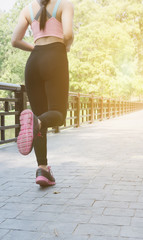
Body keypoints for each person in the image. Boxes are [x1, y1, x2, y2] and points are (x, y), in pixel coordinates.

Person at [11, 0, 74, 187]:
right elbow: (68, 33)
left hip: (33, 63)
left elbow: (15, 40)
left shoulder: (27, 9)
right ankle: (36, 122)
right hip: (55, 57)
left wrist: (36, 49)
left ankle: (43, 170)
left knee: (39, 118)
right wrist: (66, 46)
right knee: (57, 115)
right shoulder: (64, 5)